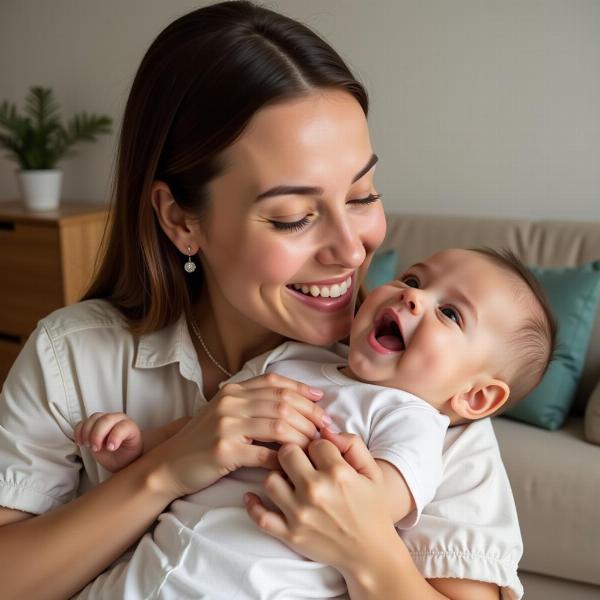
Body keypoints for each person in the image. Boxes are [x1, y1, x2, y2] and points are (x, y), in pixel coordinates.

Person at [0, 3, 524, 599]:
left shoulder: (425, 399)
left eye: (362, 195)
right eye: (293, 217)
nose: (351, 250)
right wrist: (165, 469)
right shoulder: (73, 355)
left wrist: (370, 552)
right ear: (180, 220)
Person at [73, 247, 556, 599]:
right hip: (150, 569)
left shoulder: (413, 420)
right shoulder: (289, 356)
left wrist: (345, 492)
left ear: (475, 396)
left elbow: (378, 501)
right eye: (412, 279)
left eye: (450, 313)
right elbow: (209, 425)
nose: (413, 299)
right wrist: (139, 443)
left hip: (253, 584)